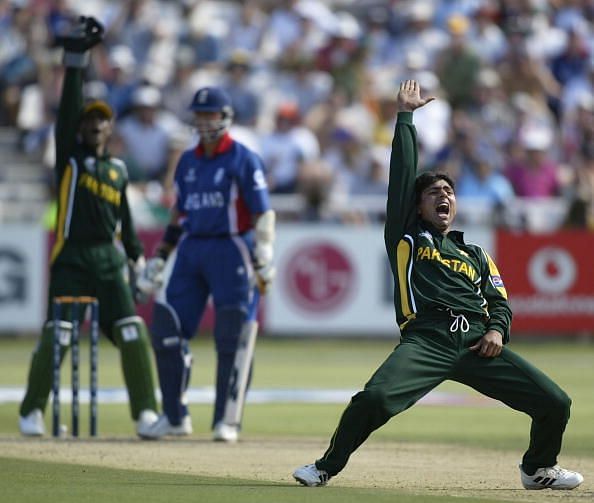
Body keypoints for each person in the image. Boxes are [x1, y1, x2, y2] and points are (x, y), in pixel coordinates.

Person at [292, 80, 584, 490]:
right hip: (427, 339)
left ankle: (538, 469)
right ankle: (325, 466)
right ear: (419, 206)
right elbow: (402, 175)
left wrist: (498, 330)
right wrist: (406, 118)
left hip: (476, 343)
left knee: (556, 403)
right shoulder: (407, 237)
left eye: (448, 191)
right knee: (374, 399)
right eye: (433, 193)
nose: (443, 196)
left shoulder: (476, 254)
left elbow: (499, 302)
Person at [18, 17, 159, 438]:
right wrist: (76, 60)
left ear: (110, 127)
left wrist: (137, 259)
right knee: (59, 334)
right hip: (72, 257)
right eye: (90, 121)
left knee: (132, 332)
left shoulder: (117, 170)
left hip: (108, 260)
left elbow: (126, 224)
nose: (96, 125)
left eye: (102, 120)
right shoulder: (70, 161)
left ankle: (147, 414)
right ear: (82, 128)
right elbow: (66, 114)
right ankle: (32, 411)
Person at [138, 86, 275, 442]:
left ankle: (226, 420)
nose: (203, 122)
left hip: (232, 248)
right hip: (191, 248)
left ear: (225, 117)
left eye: (210, 115)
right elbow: (178, 213)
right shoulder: (187, 161)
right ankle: (174, 416)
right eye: (199, 116)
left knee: (231, 337)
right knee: (166, 328)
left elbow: (262, 212)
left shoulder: (243, 157)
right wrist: (161, 257)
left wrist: (264, 252)